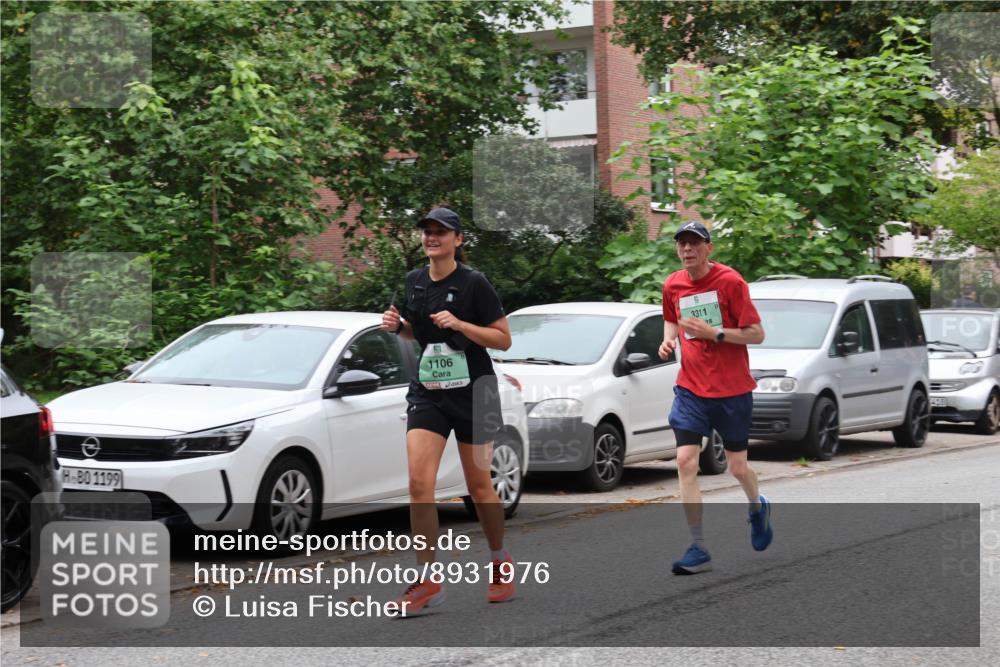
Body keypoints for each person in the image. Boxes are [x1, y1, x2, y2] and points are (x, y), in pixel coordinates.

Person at [382, 206, 515, 613]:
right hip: (430, 391)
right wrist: (399, 327)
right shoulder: (415, 281)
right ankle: (427, 579)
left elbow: (502, 339)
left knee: (479, 486)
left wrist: (460, 325)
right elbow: (420, 333)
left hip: (477, 391)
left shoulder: (474, 283)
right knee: (419, 484)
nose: (431, 237)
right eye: (427, 231)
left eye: (441, 231)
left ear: (458, 240)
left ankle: (499, 561)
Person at [659, 220, 772, 574]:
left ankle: (757, 506)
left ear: (709, 248)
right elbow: (671, 318)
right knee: (685, 461)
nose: (687, 249)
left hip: (732, 391)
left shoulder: (730, 282)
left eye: (694, 243)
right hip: (691, 388)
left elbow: (756, 334)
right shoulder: (673, 284)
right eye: (682, 244)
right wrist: (669, 339)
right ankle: (698, 546)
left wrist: (715, 333)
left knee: (737, 467)